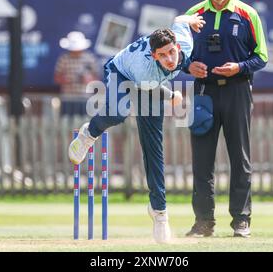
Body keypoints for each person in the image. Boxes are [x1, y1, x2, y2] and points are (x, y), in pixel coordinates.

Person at [68, 14, 205, 243]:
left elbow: (179, 21)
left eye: (172, 52)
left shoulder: (185, 43)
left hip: (151, 83)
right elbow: (149, 89)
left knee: (154, 148)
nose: (170, 59)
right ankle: (89, 133)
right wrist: (173, 95)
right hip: (122, 72)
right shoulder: (147, 69)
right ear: (154, 55)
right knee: (117, 113)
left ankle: (159, 212)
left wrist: (190, 19)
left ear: (178, 46)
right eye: (162, 55)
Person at [185, 0, 268, 238]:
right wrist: (187, 67)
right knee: (201, 158)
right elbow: (176, 54)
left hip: (237, 90)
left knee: (239, 156)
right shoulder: (193, 14)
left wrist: (239, 67)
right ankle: (203, 222)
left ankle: (241, 220)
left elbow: (262, 56)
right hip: (203, 92)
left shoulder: (248, 14)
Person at [54, 31, 100, 115]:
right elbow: (57, 78)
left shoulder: (90, 58)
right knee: (67, 120)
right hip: (67, 97)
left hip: (85, 97)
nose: (75, 51)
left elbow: (97, 78)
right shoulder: (63, 59)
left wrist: (88, 80)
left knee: (84, 122)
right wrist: (67, 80)